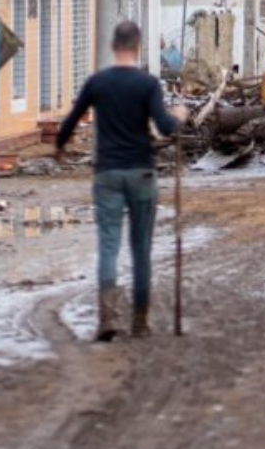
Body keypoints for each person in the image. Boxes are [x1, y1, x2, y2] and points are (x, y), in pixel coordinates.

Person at [56, 22, 187, 342]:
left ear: (114, 46)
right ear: (138, 46)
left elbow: (71, 121)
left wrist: (59, 147)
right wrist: (179, 116)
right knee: (141, 249)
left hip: (108, 174)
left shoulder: (98, 82)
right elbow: (165, 126)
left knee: (109, 247)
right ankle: (140, 322)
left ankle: (108, 319)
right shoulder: (148, 84)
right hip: (142, 172)